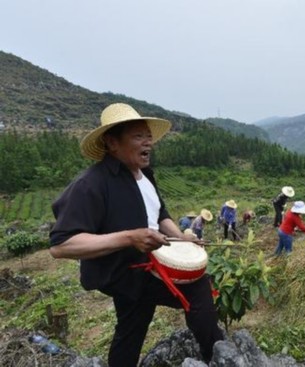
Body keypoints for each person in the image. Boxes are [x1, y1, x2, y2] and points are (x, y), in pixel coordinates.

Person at [49, 103, 223, 367]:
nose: (148, 143)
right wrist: (129, 238)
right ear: (112, 142)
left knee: (132, 327)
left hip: (148, 269)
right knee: (198, 287)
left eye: (149, 136)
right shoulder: (91, 184)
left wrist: (182, 239)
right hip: (126, 272)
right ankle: (218, 356)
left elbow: (160, 214)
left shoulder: (145, 175)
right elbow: (61, 245)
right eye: (138, 136)